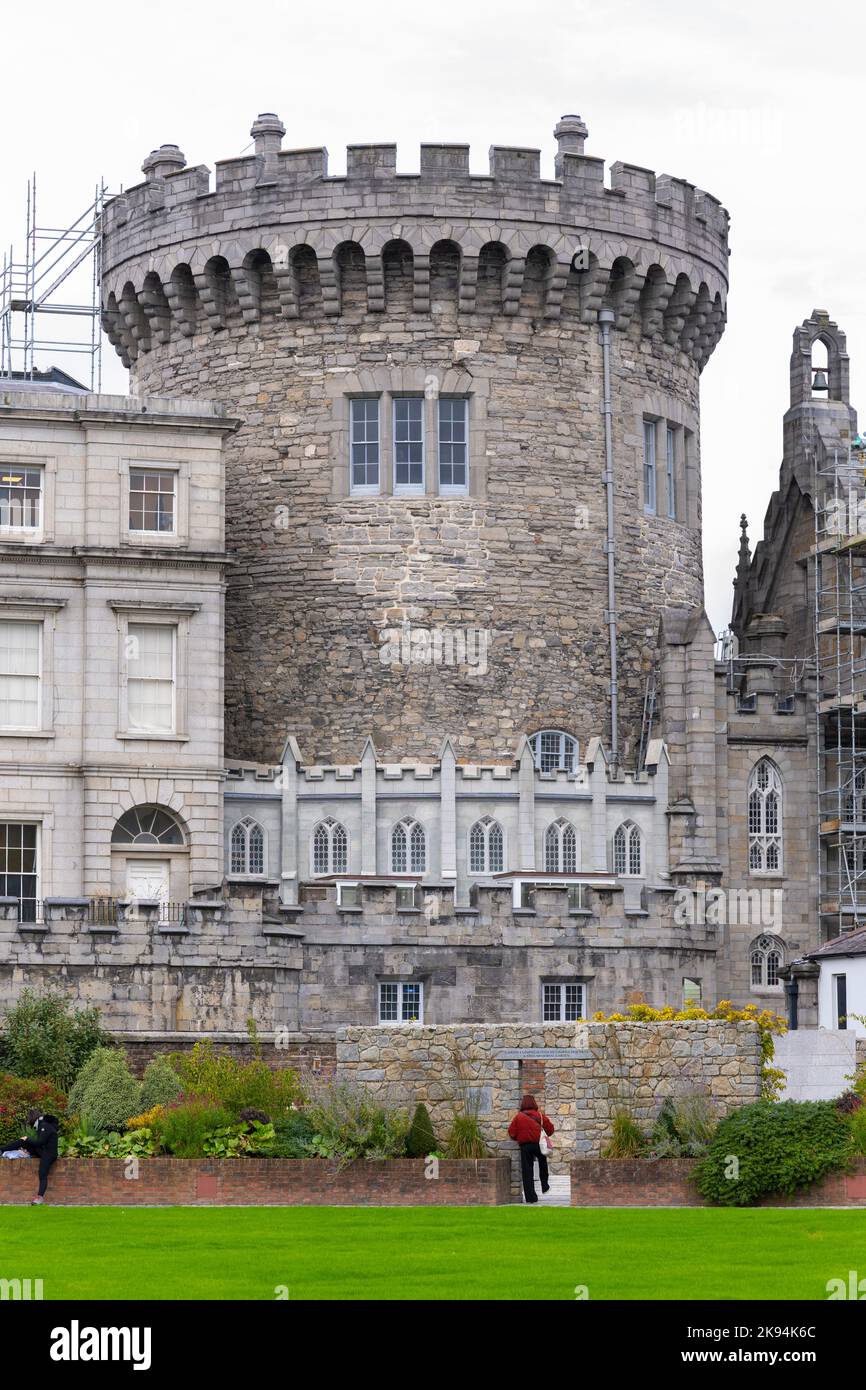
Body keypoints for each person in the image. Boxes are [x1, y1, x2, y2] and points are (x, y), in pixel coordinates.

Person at [0, 1110, 60, 1205]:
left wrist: (27, 1139)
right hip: (43, 1152)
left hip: (49, 1155)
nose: (29, 1122)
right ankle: (2, 1150)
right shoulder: (42, 1125)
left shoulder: (44, 1126)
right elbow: (39, 1144)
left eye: (29, 1119)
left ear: (33, 1118)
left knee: (42, 1174)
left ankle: (39, 1198)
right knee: (22, 1141)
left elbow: (40, 1142)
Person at [508, 1093, 554, 1204]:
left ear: (523, 1104)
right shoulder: (540, 1116)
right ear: (534, 1103)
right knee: (543, 1163)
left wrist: (519, 1138)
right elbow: (551, 1130)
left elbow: (511, 1132)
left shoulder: (518, 1117)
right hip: (539, 1144)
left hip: (525, 1146)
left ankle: (531, 1197)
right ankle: (544, 1185)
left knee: (527, 1171)